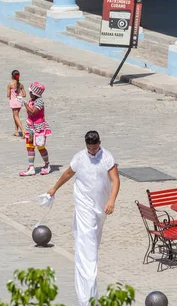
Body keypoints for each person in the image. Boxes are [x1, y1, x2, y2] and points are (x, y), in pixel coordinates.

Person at [46, 131, 120, 306]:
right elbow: (68, 173)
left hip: (100, 207)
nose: (92, 151)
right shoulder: (80, 157)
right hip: (83, 204)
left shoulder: (107, 157)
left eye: (95, 148)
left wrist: (111, 200)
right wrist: (54, 188)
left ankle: (91, 293)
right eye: (89, 148)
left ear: (99, 143)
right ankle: (86, 296)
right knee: (87, 246)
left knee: (93, 241)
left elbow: (115, 180)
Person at [18, 82, 51, 176]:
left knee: (40, 147)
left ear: (35, 93)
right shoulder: (32, 100)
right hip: (31, 128)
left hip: (39, 128)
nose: (29, 93)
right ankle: (31, 167)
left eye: (31, 92)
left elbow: (33, 112)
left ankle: (47, 165)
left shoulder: (39, 101)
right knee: (30, 147)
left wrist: (24, 103)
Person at [7, 70, 26, 137]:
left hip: (13, 102)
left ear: (12, 76)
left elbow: (8, 95)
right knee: (16, 116)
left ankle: (23, 131)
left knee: (16, 116)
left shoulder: (10, 85)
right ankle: (16, 131)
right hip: (19, 101)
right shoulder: (21, 85)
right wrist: (19, 96)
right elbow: (24, 94)